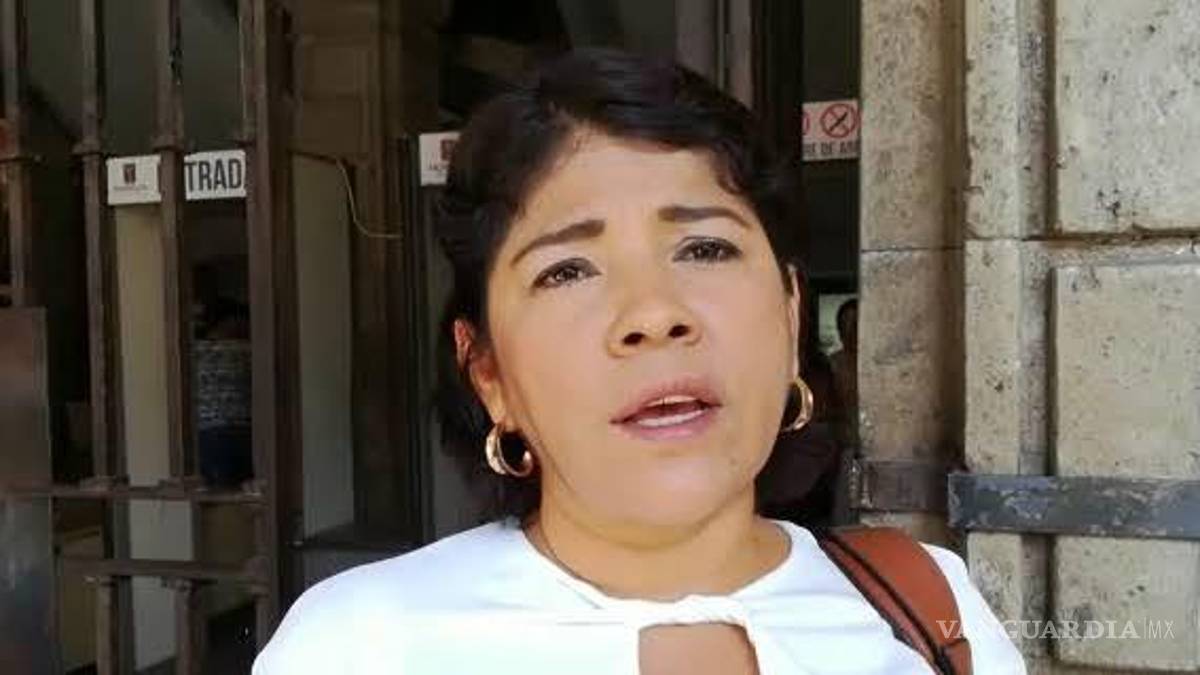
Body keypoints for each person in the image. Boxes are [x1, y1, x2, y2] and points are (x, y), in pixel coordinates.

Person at [253, 49, 1024, 674]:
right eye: (567, 269)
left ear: (791, 314)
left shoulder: (928, 608)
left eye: (705, 248)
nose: (654, 314)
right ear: (486, 370)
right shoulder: (360, 646)